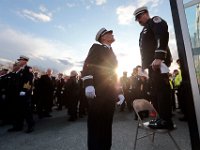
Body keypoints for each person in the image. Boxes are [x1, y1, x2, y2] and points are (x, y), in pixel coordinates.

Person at [82, 27, 125, 150]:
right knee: (95, 124)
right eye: (109, 33)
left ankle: (106, 147)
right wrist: (89, 83)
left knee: (107, 124)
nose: (112, 34)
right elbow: (88, 64)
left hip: (110, 94)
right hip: (98, 92)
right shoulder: (97, 47)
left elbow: (115, 74)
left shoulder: (112, 52)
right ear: (103, 37)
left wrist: (120, 92)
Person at [133, 6, 174, 129]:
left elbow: (162, 35)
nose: (138, 20)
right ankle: (160, 118)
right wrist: (144, 68)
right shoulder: (145, 29)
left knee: (162, 91)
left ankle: (166, 120)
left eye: (139, 17)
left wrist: (160, 55)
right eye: (137, 19)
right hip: (151, 66)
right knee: (156, 92)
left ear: (146, 14)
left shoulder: (154, 21)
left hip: (157, 64)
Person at [7, 55, 34, 133]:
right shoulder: (19, 70)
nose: (19, 61)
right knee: (18, 111)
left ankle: (31, 126)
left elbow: (29, 81)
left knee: (26, 111)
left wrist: (24, 90)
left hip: (24, 94)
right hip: (17, 94)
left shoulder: (28, 69)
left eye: (20, 60)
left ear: (25, 61)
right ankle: (18, 126)